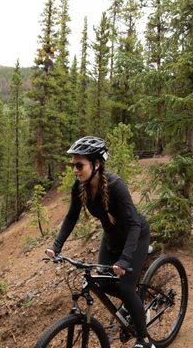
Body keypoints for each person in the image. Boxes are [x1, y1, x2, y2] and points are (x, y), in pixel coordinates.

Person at [46, 136, 154, 348]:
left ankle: (145, 340)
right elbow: (71, 217)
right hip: (112, 238)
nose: (75, 170)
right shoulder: (80, 187)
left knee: (125, 287)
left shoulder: (116, 186)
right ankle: (131, 306)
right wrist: (56, 246)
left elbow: (133, 225)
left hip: (136, 236)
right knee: (103, 282)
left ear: (96, 164)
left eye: (79, 165)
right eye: (73, 165)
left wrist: (124, 260)